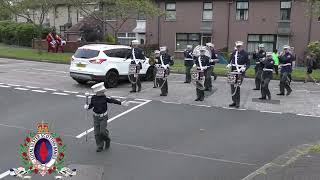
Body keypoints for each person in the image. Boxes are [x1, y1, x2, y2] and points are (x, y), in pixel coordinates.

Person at [84, 82, 127, 152]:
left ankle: (107, 139)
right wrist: (87, 107)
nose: (104, 92)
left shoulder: (105, 97)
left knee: (102, 132)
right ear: (98, 92)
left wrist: (121, 103)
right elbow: (92, 105)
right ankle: (99, 146)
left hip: (103, 117)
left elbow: (112, 100)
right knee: (97, 133)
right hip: (95, 117)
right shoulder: (93, 98)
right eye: (102, 91)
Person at [227, 41, 250, 108]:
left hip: (240, 72)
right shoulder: (234, 52)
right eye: (237, 47)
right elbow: (231, 60)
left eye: (239, 46)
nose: (238, 48)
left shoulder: (245, 54)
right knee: (232, 87)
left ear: (242, 46)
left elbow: (248, 63)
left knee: (237, 87)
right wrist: (229, 64)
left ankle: (237, 103)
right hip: (233, 72)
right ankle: (234, 101)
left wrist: (245, 68)